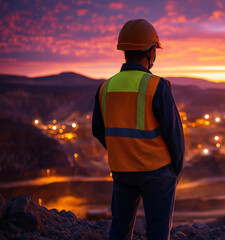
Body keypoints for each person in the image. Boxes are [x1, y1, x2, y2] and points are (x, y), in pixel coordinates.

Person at [92, 18, 184, 240]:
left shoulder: (106, 87)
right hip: (157, 171)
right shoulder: (157, 86)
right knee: (158, 231)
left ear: (124, 50)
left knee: (120, 228)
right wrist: (176, 170)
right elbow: (174, 135)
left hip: (122, 170)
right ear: (151, 52)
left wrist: (123, 150)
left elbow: (98, 130)